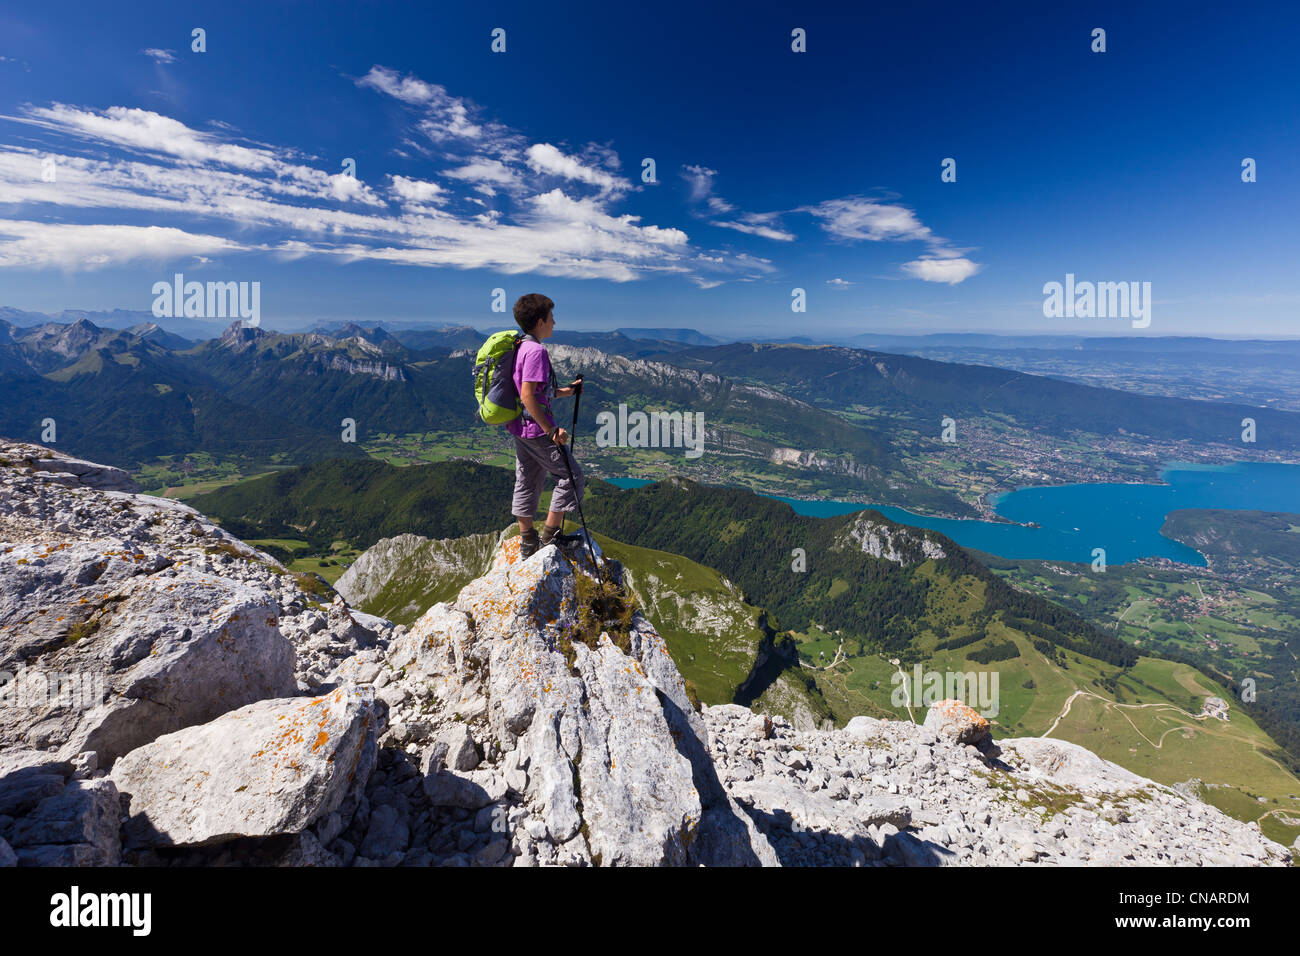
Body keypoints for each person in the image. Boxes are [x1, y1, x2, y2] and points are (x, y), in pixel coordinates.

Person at [508, 293, 587, 559]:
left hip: (519, 428)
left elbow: (539, 391)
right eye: (552, 317)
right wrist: (551, 430)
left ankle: (528, 541)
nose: (555, 322)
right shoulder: (537, 351)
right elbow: (528, 395)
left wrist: (568, 391)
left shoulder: (520, 346)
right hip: (537, 429)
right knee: (571, 476)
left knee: (528, 478)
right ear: (540, 321)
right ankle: (551, 537)